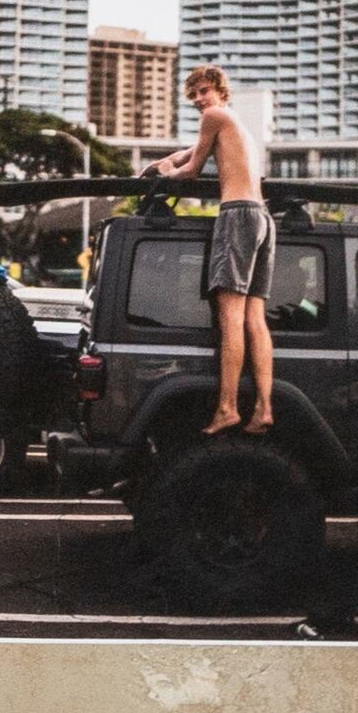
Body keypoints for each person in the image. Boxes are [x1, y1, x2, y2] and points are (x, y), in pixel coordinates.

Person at [146, 61, 276, 434]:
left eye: (204, 91)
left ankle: (227, 407)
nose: (200, 100)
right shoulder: (234, 124)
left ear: (220, 90)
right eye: (195, 95)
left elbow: (192, 169)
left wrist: (166, 174)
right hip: (262, 218)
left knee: (229, 316)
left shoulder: (215, 116)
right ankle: (264, 408)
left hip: (236, 216)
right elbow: (193, 150)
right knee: (255, 317)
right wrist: (168, 158)